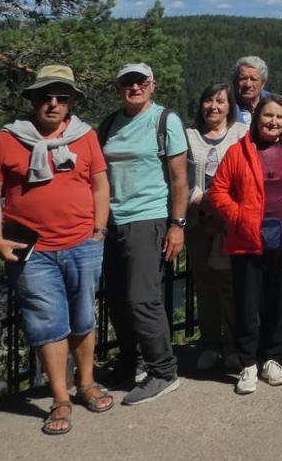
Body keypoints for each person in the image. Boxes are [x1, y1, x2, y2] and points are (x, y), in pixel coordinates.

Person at [0, 65, 114, 434]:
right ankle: (60, 397)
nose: (53, 104)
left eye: (61, 97)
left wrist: (99, 231)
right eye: (45, 96)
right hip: (32, 250)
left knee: (84, 316)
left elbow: (100, 186)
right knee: (47, 324)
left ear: (70, 102)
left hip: (82, 243)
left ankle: (86, 382)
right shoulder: (10, 139)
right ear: (33, 100)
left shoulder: (85, 137)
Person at [208, 94, 282, 395]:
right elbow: (218, 191)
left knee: (278, 301)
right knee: (247, 304)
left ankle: (271, 357)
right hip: (248, 239)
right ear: (257, 119)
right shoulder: (239, 152)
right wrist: (240, 217)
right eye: (268, 116)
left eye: (279, 117)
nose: (273, 122)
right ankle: (247, 363)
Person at [98, 62, 187, 406]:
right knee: (117, 298)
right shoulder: (110, 124)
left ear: (152, 85)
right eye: (127, 83)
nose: (134, 87)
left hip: (148, 217)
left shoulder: (165, 121)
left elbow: (179, 178)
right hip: (113, 220)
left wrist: (177, 225)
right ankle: (127, 362)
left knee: (142, 299)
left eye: (140, 82)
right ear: (119, 88)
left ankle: (163, 370)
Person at [184, 82, 250, 371]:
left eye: (220, 101)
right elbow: (177, 176)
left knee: (229, 284)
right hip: (197, 219)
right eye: (209, 100)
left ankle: (233, 345)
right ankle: (209, 342)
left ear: (229, 106)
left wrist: (223, 206)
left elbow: (247, 175)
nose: (214, 106)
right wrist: (201, 200)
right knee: (204, 282)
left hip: (230, 222)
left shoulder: (240, 134)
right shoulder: (188, 136)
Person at [230, 56, 271, 124]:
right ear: (234, 82)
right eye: (243, 78)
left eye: (253, 79)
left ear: (263, 84)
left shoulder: (274, 102)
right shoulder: (226, 104)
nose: (248, 84)